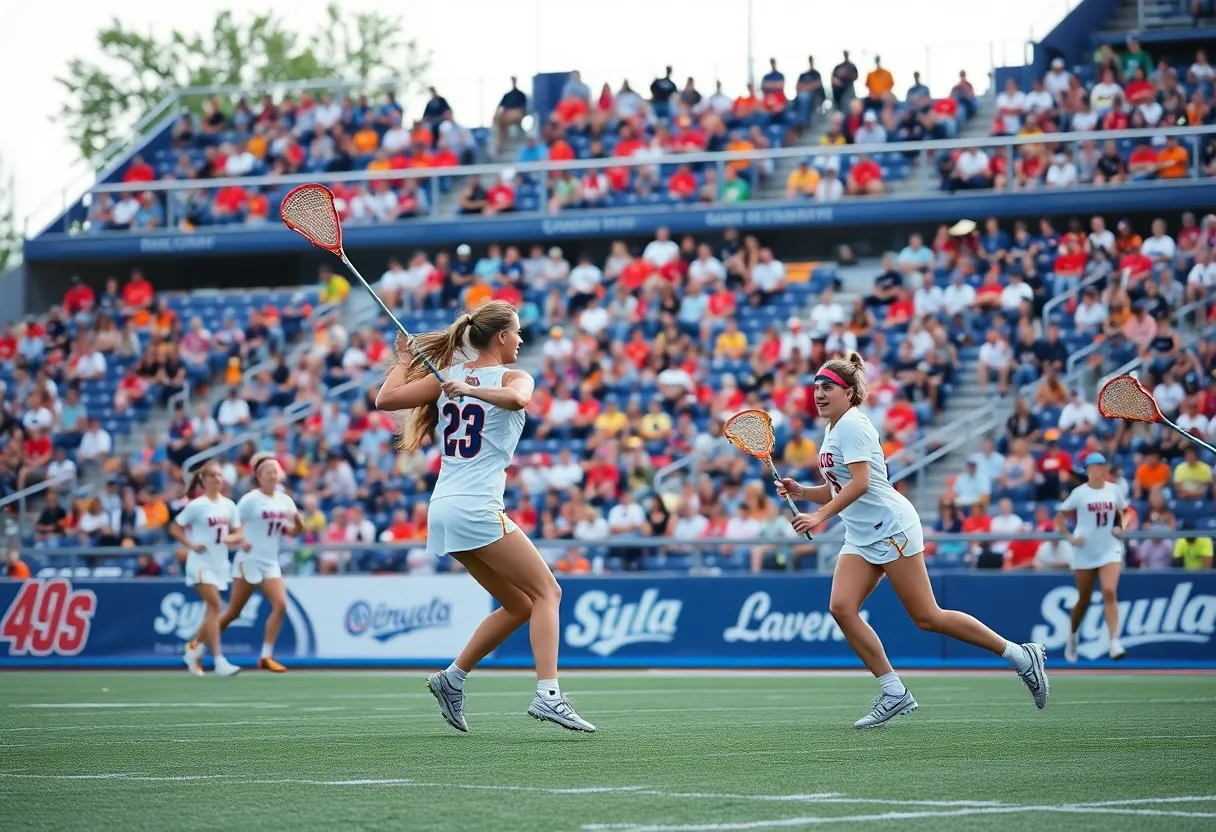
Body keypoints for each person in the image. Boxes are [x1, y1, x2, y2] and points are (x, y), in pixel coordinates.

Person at [775, 353, 1048, 727]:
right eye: (816, 387)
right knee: (841, 607)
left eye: (828, 388)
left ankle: (1019, 655)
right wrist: (803, 492)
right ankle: (893, 691)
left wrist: (820, 516)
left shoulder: (852, 424)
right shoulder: (834, 428)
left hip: (891, 528)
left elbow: (861, 483)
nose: (819, 394)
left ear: (849, 393)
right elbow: (839, 486)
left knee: (928, 617)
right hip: (861, 533)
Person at [375, 300, 594, 733]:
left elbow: (387, 397)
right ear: (501, 337)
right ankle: (549, 694)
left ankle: (452, 678)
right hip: (475, 507)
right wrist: (407, 358)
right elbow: (517, 397)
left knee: (519, 604)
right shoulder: (510, 376)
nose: (521, 340)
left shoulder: (453, 378)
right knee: (548, 592)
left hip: (444, 509)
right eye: (517, 332)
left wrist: (407, 364)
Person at [219, 452, 304, 673]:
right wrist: (240, 540)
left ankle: (266, 655)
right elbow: (231, 527)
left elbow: (293, 531)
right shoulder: (250, 500)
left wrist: (299, 524)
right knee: (233, 612)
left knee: (280, 604)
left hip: (270, 561)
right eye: (269, 471)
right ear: (259, 476)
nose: (274, 475)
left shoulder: (284, 500)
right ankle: (198, 644)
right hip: (249, 560)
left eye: (276, 471)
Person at [170, 460, 242, 678]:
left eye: (220, 475)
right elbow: (175, 528)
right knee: (215, 605)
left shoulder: (229, 505)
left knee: (213, 611)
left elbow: (239, 532)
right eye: (213, 475)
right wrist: (190, 545)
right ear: (203, 480)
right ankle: (219, 660)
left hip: (219, 564)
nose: (218, 479)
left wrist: (229, 538)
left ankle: (194, 648)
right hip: (200, 563)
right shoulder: (197, 505)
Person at [1055, 453, 1129, 662]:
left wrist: (1122, 526)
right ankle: (1072, 634)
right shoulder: (1080, 493)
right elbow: (1060, 517)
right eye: (1094, 466)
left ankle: (1114, 641)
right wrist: (1070, 537)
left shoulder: (1114, 489)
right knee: (1084, 599)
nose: (1098, 469)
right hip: (1085, 551)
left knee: (1109, 591)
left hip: (1110, 547)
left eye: (1101, 465)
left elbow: (1126, 511)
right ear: (1088, 469)